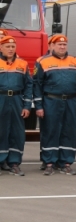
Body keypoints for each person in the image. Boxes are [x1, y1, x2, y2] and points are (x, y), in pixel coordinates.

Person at [34, 35, 76, 175]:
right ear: (52, 46)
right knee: (50, 131)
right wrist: (38, 106)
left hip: (70, 101)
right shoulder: (42, 62)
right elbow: (37, 85)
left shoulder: (75, 62)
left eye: (64, 44)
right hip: (51, 101)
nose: (62, 47)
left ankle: (66, 162)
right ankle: (49, 162)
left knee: (69, 132)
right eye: (59, 44)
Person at [0, 35, 33, 176]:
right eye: (7, 46)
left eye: (13, 47)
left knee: (17, 132)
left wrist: (26, 106)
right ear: (1, 47)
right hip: (1, 99)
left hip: (17, 100)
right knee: (1, 131)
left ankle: (14, 163)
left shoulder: (22, 64)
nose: (10, 49)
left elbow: (29, 85)